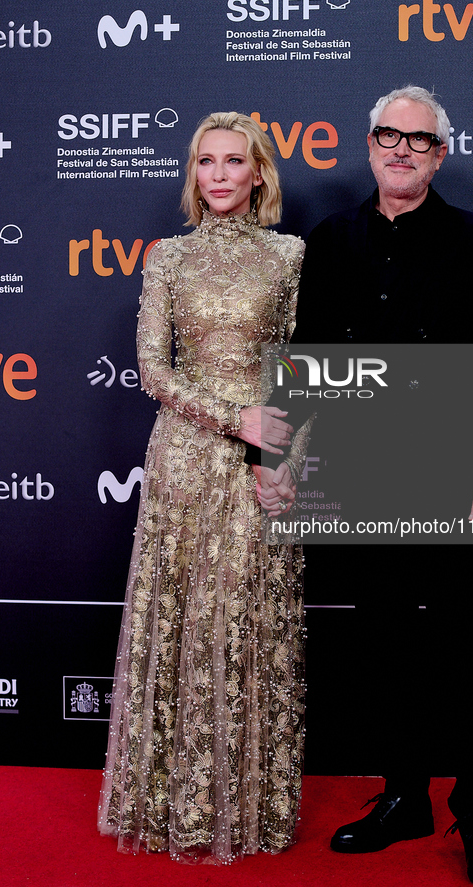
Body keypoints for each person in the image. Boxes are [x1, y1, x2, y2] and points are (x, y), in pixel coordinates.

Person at [282, 86, 473, 883]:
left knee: (460, 643)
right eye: (388, 135)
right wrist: (273, 458)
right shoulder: (330, 239)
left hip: (455, 474)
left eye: (418, 140)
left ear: (439, 154)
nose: (400, 149)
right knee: (382, 642)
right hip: (361, 472)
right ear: (371, 143)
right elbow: (307, 363)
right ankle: (402, 798)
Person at [98, 112, 311, 863]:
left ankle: (247, 805)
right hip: (185, 455)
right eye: (205, 162)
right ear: (193, 175)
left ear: (259, 174)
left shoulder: (289, 255)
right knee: (183, 610)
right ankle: (171, 805)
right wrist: (234, 418)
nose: (218, 174)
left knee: (246, 619)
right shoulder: (167, 257)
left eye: (234, 161)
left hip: (260, 460)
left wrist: (279, 454)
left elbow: (294, 364)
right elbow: (154, 370)